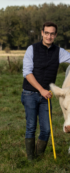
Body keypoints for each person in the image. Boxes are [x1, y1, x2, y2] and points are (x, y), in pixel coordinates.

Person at [22, 21, 70, 160]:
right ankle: (31, 159)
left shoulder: (59, 52)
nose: (49, 36)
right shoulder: (32, 49)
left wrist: (44, 92)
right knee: (31, 126)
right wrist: (41, 90)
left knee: (47, 129)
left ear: (55, 35)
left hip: (46, 96)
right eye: (46, 33)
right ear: (42, 33)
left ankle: (39, 156)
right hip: (30, 93)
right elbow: (27, 73)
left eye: (52, 34)